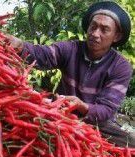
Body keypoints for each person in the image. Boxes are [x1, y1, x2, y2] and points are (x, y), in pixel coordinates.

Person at [8, 1, 135, 148]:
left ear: (116, 36)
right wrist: (21, 46)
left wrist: (82, 106)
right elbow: (42, 55)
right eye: (93, 26)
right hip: (60, 111)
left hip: (97, 123)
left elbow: (106, 109)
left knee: (130, 144)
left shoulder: (121, 66)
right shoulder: (70, 49)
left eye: (104, 29)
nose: (95, 33)